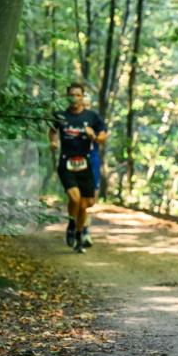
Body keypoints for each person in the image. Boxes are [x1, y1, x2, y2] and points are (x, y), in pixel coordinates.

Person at [49, 82, 107, 254]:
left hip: (85, 164)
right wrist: (53, 141)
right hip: (66, 163)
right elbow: (53, 130)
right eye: (71, 95)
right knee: (74, 199)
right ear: (67, 97)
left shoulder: (92, 117)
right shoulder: (60, 115)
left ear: (83, 97)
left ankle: (79, 235)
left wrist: (95, 137)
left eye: (78, 95)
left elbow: (103, 136)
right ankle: (71, 224)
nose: (74, 98)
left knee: (84, 205)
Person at [81, 93, 100, 247]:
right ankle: (83, 232)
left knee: (90, 202)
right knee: (80, 200)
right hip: (76, 164)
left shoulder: (96, 122)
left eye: (87, 105)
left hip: (93, 162)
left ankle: (81, 227)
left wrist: (93, 136)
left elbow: (102, 139)